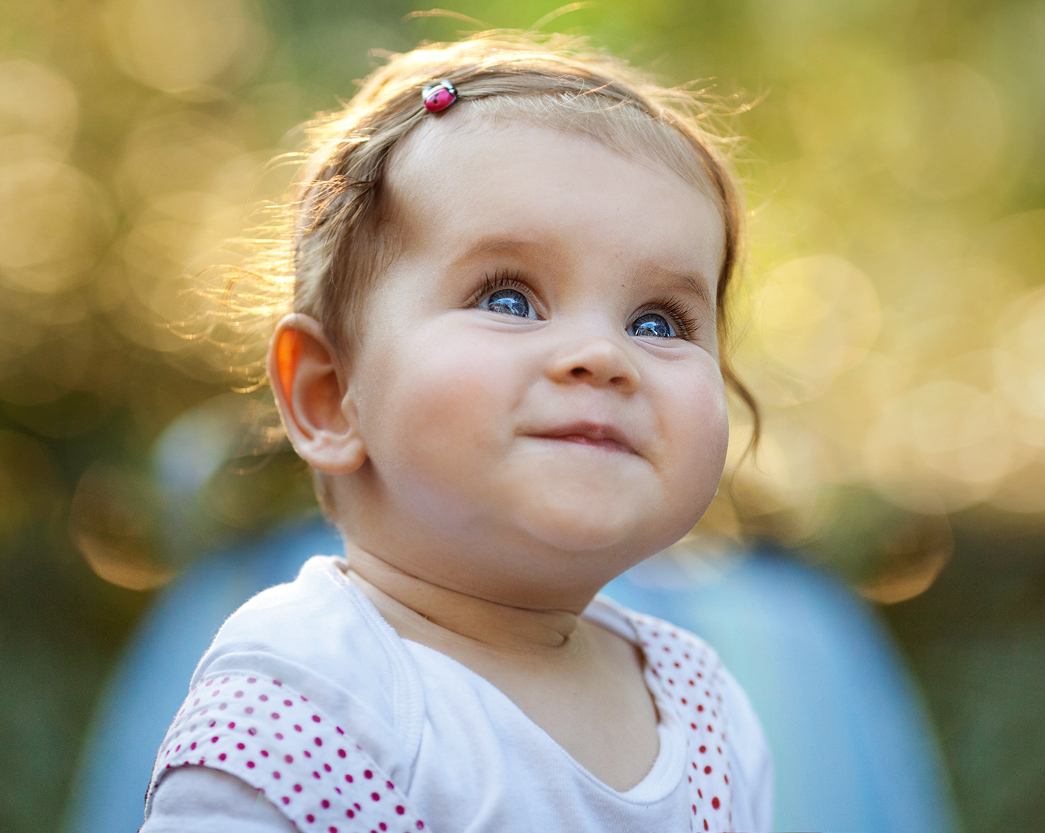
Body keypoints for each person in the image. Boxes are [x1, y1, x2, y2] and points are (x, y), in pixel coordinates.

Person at [140, 31, 774, 833]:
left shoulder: (701, 707)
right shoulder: (313, 689)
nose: (604, 355)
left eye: (658, 319)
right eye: (510, 299)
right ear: (332, 395)